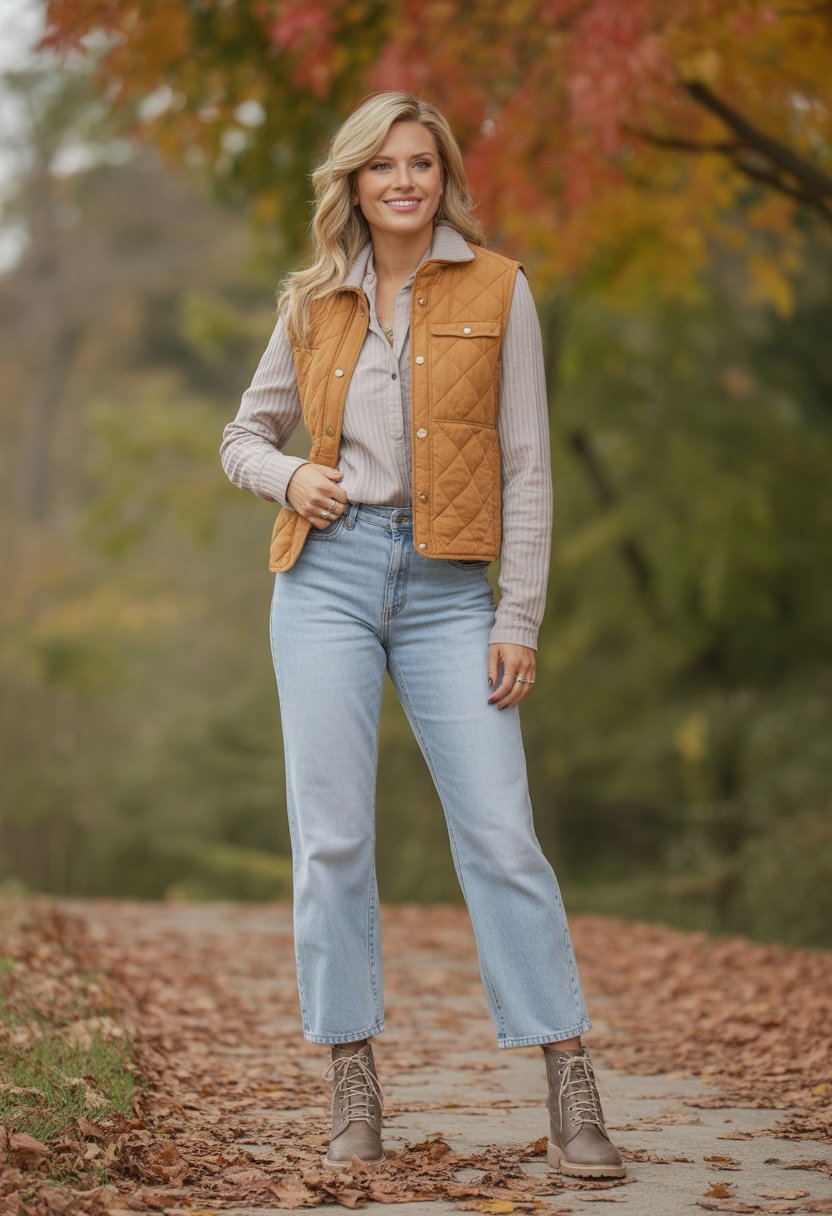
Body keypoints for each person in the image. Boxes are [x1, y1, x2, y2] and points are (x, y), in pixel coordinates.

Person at [220, 90, 625, 1180]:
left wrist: (518, 614)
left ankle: (568, 1077)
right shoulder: (312, 301)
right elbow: (242, 435)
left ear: (443, 178)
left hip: (452, 592)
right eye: (382, 165)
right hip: (326, 580)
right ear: (353, 183)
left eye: (421, 164)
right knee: (333, 838)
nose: (402, 181)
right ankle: (352, 1077)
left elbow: (527, 463)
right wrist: (291, 475)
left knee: (501, 831)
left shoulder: (500, 288)